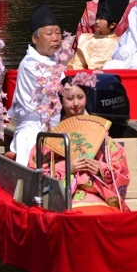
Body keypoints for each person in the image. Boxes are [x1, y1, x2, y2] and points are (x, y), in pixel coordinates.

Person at [28, 76, 131, 212]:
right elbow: (35, 176)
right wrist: (66, 168)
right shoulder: (49, 140)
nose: (76, 103)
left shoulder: (101, 135)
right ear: (61, 100)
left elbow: (120, 168)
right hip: (64, 198)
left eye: (80, 97)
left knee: (106, 214)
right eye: (70, 99)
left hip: (99, 196)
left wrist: (101, 170)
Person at [9, 4, 65, 166]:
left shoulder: (54, 59)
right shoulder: (30, 64)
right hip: (34, 129)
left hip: (56, 125)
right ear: (35, 39)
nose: (55, 38)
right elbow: (55, 93)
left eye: (58, 33)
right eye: (49, 34)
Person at [69, 0, 131, 71]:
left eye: (101, 19)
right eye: (97, 18)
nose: (97, 21)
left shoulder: (120, 43)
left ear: (112, 25)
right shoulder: (85, 40)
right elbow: (75, 67)